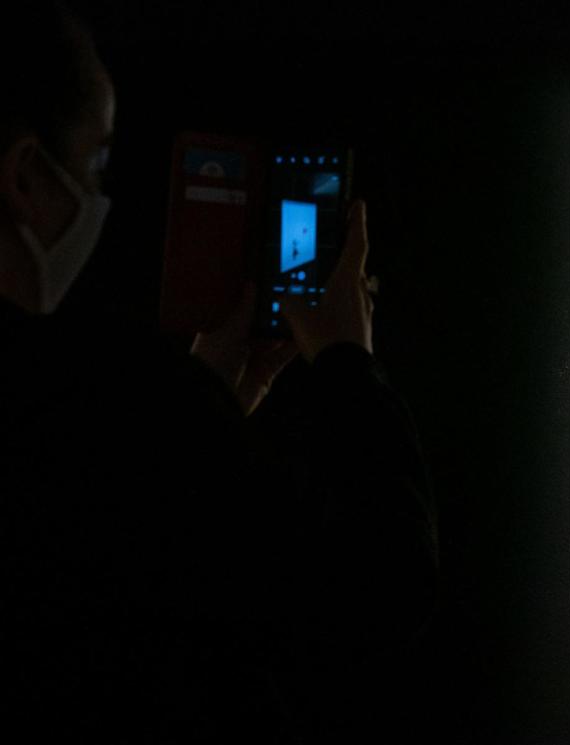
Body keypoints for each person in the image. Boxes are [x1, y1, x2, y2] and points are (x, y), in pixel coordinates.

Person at [1, 3, 437, 740]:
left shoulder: (88, 408)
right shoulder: (97, 397)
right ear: (25, 176)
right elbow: (383, 597)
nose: (101, 193)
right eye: (96, 159)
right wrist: (346, 361)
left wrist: (214, 398)